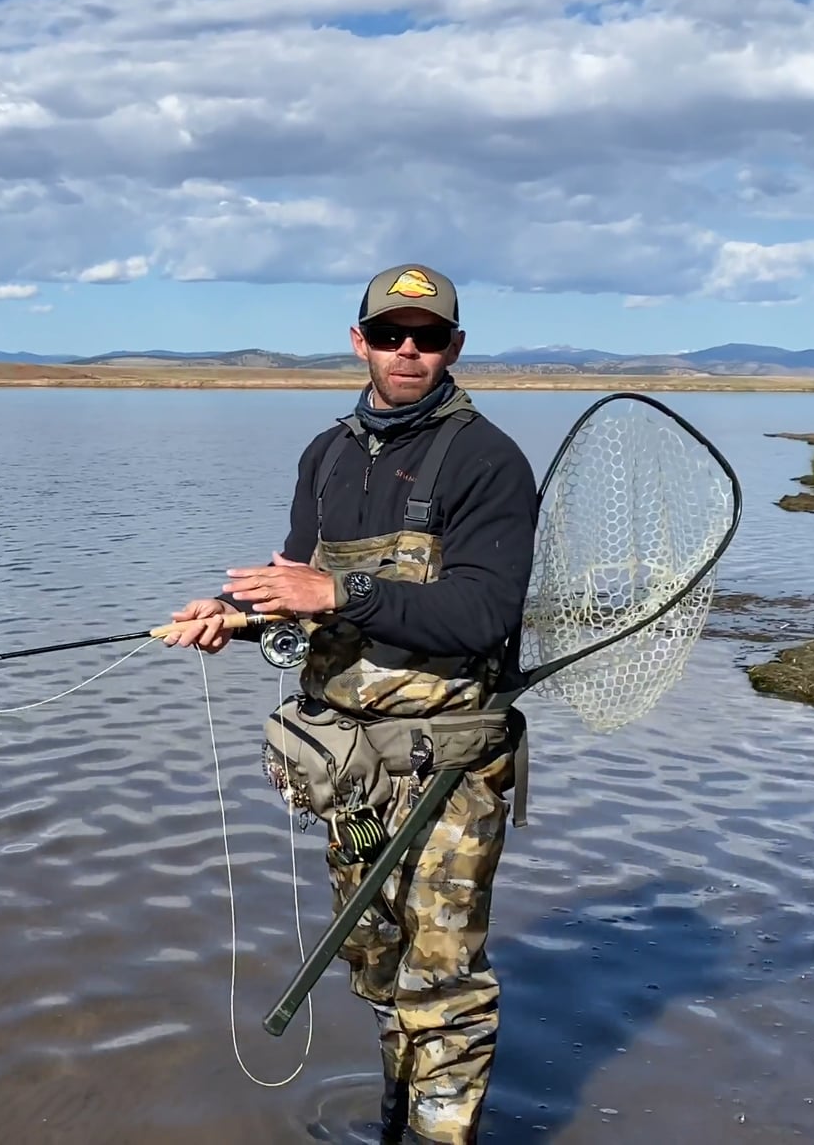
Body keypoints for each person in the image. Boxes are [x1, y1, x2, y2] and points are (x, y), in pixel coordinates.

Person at [165, 262, 538, 1145]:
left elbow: (484, 612)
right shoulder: (326, 454)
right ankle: (394, 1118)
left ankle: (444, 1135)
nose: (408, 351)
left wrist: (341, 592)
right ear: (358, 341)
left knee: (443, 980)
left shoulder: (489, 460)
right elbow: (294, 589)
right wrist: (233, 614)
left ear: (455, 347)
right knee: (374, 958)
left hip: (447, 767)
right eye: (389, 334)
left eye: (428, 337)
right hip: (347, 768)